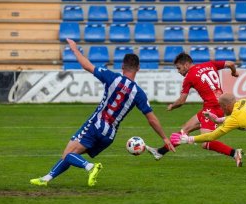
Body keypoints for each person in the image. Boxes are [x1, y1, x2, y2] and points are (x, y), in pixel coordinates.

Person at [30, 38, 175, 187]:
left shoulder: (112, 77)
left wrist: (74, 49)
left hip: (95, 125)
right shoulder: (139, 93)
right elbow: (152, 119)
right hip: (109, 136)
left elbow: (87, 65)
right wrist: (164, 138)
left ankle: (90, 167)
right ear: (138, 68)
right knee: (72, 155)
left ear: (122, 66)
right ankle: (46, 179)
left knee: (68, 154)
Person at [146, 53, 244, 167]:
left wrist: (172, 106)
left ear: (186, 64)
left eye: (179, 68)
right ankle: (160, 152)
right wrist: (234, 72)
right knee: (185, 130)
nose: (178, 71)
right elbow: (231, 63)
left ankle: (235, 153)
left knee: (206, 142)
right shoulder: (210, 64)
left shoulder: (189, 77)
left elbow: (182, 101)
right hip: (215, 105)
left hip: (212, 108)